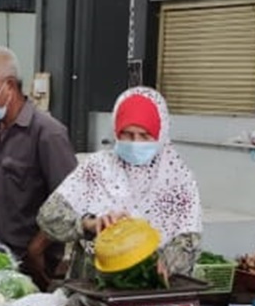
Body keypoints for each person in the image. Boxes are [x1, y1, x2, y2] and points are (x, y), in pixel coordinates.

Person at [38, 86, 202, 280]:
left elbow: (189, 240)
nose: (135, 142)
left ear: (161, 134)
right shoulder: (97, 168)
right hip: (91, 287)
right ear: (116, 131)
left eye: (145, 135)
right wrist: (88, 224)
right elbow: (48, 217)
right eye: (127, 134)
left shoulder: (178, 179)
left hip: (150, 290)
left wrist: (161, 264)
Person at [0, 46, 77, 282]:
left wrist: (37, 249)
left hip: (26, 268)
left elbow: (71, 200)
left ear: (10, 86)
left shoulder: (47, 134)